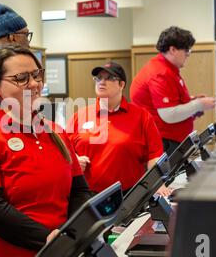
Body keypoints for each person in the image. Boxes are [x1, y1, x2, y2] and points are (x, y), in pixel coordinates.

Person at [0, 45, 91, 257]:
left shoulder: (55, 131)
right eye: (21, 78)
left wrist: (73, 235)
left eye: (37, 75)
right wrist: (49, 238)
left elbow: (79, 191)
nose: (35, 84)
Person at [67, 62, 172, 197]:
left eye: (109, 78)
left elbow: (154, 155)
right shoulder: (79, 116)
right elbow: (64, 151)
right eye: (98, 78)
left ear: (121, 85)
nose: (102, 82)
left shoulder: (142, 117)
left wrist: (158, 183)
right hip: (87, 195)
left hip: (129, 195)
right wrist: (75, 160)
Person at [130, 26, 216, 155]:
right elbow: (169, 114)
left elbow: (173, 102)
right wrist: (199, 104)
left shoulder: (167, 69)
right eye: (186, 49)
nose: (188, 54)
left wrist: (193, 102)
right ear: (173, 49)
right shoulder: (160, 73)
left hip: (170, 140)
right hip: (164, 141)